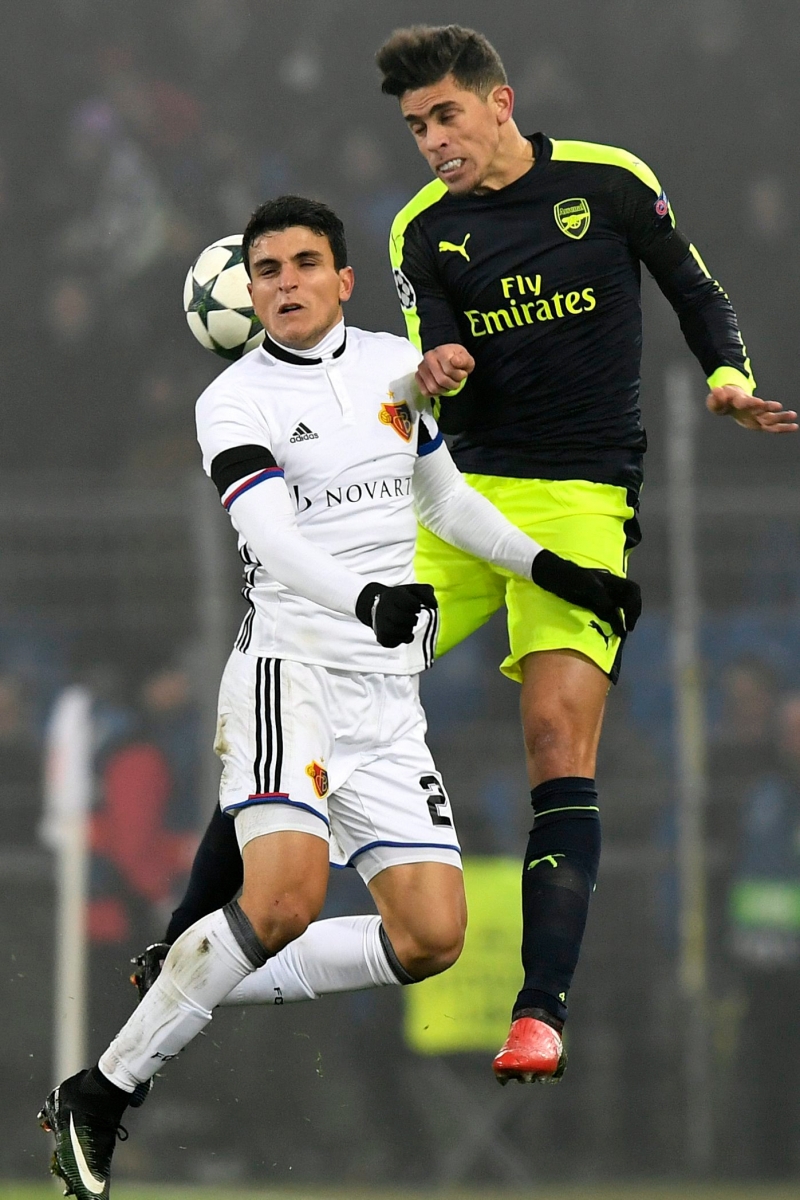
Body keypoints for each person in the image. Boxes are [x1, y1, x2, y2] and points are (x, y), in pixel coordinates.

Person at [39, 195, 640, 1199]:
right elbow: (269, 535)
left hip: (384, 702)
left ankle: (196, 972)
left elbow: (444, 498)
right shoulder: (233, 402)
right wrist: (367, 596)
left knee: (429, 940)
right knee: (281, 901)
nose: (283, 283)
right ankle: (102, 1090)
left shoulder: (389, 370)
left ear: (342, 278)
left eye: (303, 263)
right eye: (265, 269)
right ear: (248, 289)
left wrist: (556, 571)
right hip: (292, 675)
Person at [373, 23, 797, 1085]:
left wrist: (726, 380)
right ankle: (229, 905)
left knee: (556, 739)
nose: (431, 141)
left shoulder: (608, 185)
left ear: (499, 102)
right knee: (324, 667)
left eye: (445, 116)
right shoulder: (419, 230)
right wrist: (438, 367)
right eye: (415, 126)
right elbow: (424, 339)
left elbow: (692, 287)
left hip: (578, 502)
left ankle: (537, 1012)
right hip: (460, 506)